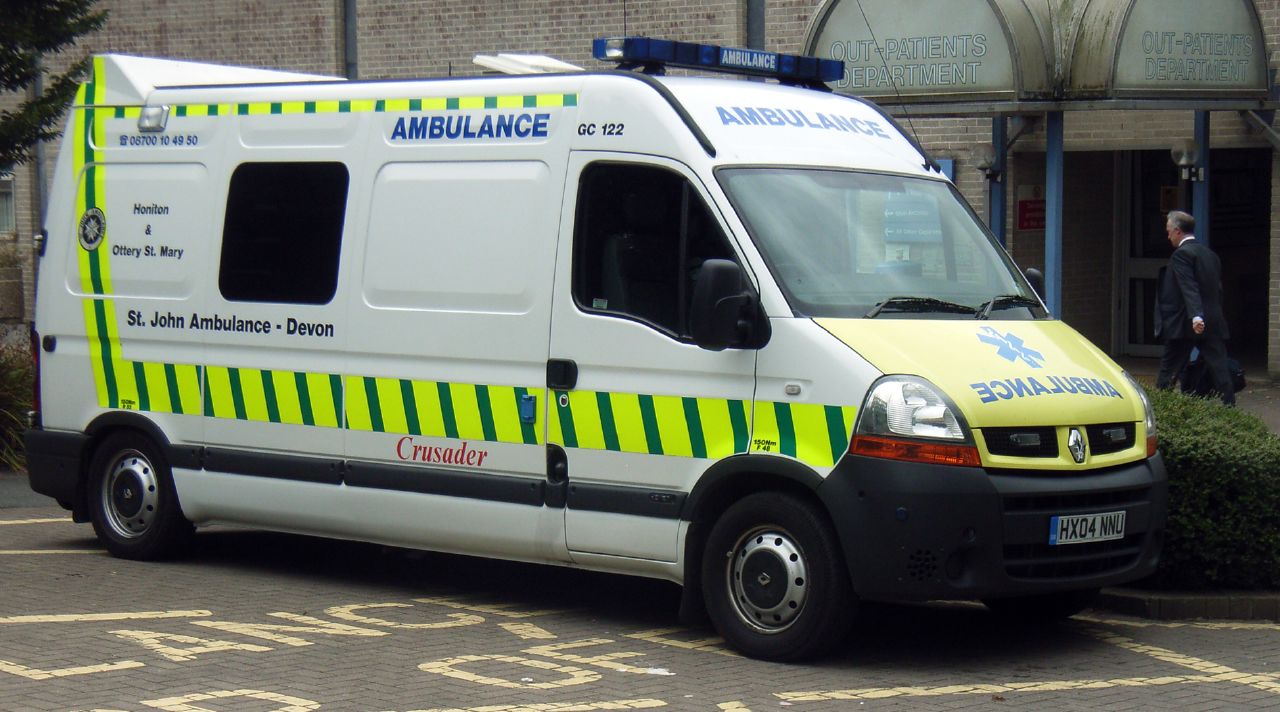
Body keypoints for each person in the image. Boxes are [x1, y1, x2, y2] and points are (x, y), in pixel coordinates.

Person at [1154, 210, 1235, 405]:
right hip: (1212, 320)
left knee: (1169, 368)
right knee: (1219, 366)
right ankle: (1230, 406)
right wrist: (1210, 315)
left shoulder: (1181, 255)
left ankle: (1160, 408)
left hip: (1185, 323)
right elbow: (1217, 290)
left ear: (1177, 231)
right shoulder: (1210, 255)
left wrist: (1196, 317)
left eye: (1168, 232)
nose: (1168, 236)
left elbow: (1188, 286)